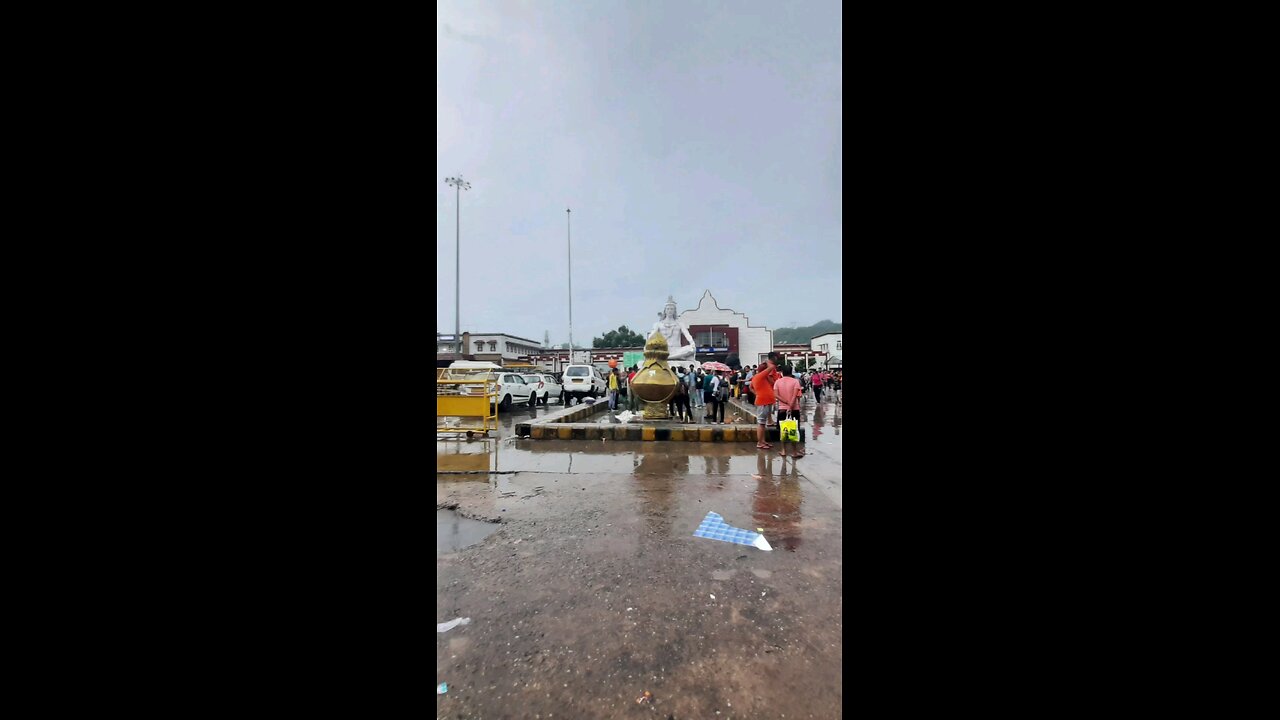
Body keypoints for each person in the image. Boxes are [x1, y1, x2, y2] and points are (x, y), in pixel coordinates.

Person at [650, 296, 697, 361]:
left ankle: (667, 357)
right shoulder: (658, 324)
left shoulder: (680, 324)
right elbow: (651, 336)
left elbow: (687, 335)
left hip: (677, 350)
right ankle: (677, 357)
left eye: (672, 309)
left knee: (691, 349)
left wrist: (692, 343)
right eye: (668, 309)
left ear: (674, 311)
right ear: (665, 310)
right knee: (652, 350)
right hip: (663, 349)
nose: (670, 311)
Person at [774, 365, 805, 458]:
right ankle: (794, 452)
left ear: (782, 372)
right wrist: (790, 406)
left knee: (782, 430)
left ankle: (783, 450)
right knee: (793, 430)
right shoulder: (795, 382)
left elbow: (776, 395)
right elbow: (796, 396)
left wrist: (785, 402)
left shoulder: (777, 382)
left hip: (781, 409)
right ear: (791, 372)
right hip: (794, 409)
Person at [751, 356, 780, 449]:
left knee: (763, 423)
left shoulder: (760, 377)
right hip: (763, 402)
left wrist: (757, 393)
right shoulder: (760, 376)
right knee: (761, 423)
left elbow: (750, 387)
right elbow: (772, 367)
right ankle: (760, 442)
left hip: (765, 401)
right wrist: (767, 362)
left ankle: (763, 441)